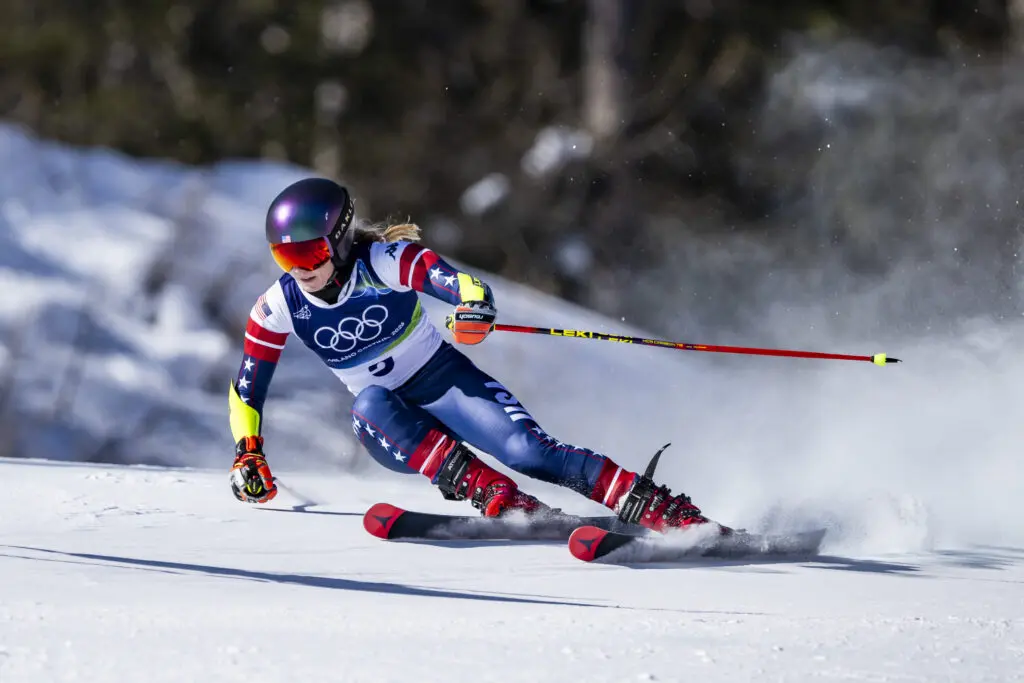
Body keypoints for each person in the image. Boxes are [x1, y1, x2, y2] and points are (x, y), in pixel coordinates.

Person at [227, 177, 713, 533]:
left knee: (530, 452)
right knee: (369, 403)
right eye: (284, 258)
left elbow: (459, 282)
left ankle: (655, 507)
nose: (299, 270)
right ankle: (497, 497)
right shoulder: (278, 306)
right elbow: (248, 388)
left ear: (338, 239)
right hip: (390, 427)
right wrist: (247, 453)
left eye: (308, 254)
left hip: (445, 383)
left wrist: (474, 305)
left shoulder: (385, 263)